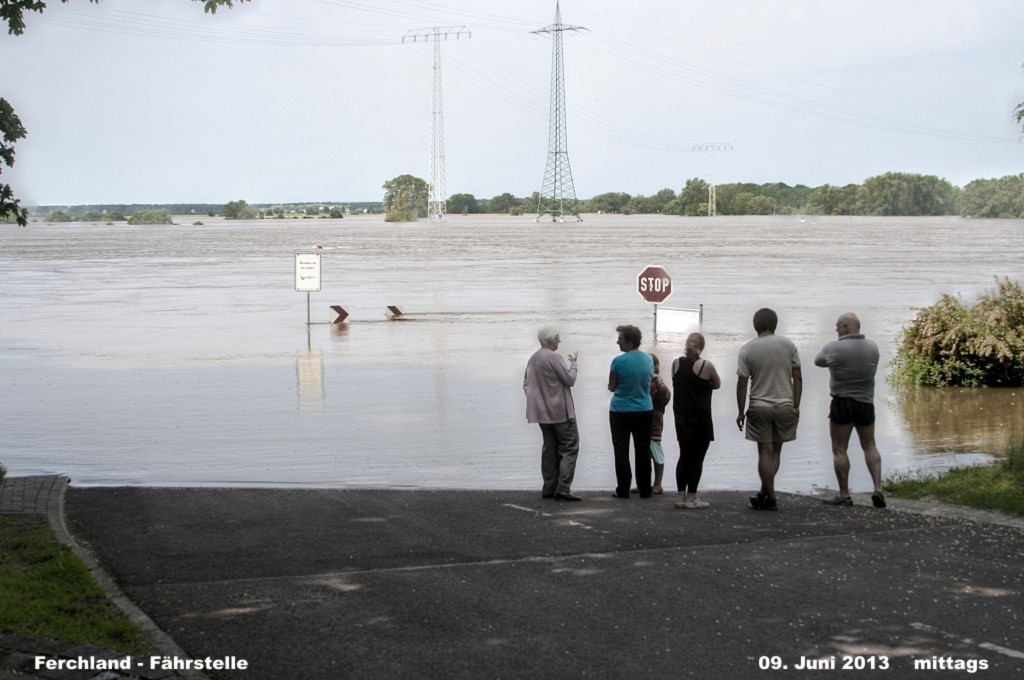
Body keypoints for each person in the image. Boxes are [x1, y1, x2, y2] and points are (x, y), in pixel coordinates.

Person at [814, 312, 886, 508]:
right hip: (866, 403)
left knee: (839, 449)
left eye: (838, 326)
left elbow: (818, 361)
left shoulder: (833, 348)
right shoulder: (872, 347)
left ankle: (844, 494)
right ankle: (878, 488)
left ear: (846, 327)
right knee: (870, 445)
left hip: (842, 402)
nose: (836, 330)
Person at [736, 308, 802, 511]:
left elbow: (742, 383)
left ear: (755, 326)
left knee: (765, 452)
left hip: (759, 406)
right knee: (776, 452)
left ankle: (770, 496)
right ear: (775, 324)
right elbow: (797, 376)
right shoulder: (788, 345)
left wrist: (740, 411)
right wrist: (796, 404)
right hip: (785, 405)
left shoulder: (748, 349)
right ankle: (765, 492)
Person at [524, 326, 581, 501]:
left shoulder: (533, 359)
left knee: (549, 449)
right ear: (549, 340)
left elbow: (526, 384)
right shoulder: (554, 357)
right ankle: (563, 488)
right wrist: (574, 365)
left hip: (542, 413)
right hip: (560, 412)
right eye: (557, 337)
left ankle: (549, 486)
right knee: (569, 447)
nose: (559, 341)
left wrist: (538, 402)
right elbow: (569, 380)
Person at [672, 332, 722, 509]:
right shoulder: (705, 365)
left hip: (681, 417)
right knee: (697, 459)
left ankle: (680, 496)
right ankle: (692, 498)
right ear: (701, 347)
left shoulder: (676, 364)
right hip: (700, 419)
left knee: (684, 456)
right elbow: (717, 384)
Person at [608, 324, 654, 498]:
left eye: (620, 339)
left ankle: (623, 489)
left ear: (629, 341)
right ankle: (645, 488)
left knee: (621, 450)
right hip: (644, 408)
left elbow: (612, 386)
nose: (617, 342)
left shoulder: (618, 361)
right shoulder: (648, 359)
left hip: (620, 410)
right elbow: (647, 381)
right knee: (642, 450)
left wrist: (614, 386)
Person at [649, 355, 672, 494]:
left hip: (654, 425)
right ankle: (643, 482)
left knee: (656, 453)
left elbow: (666, 396)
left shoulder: (658, 383)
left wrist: (658, 381)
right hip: (642, 423)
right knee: (644, 455)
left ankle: (658, 483)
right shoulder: (644, 382)